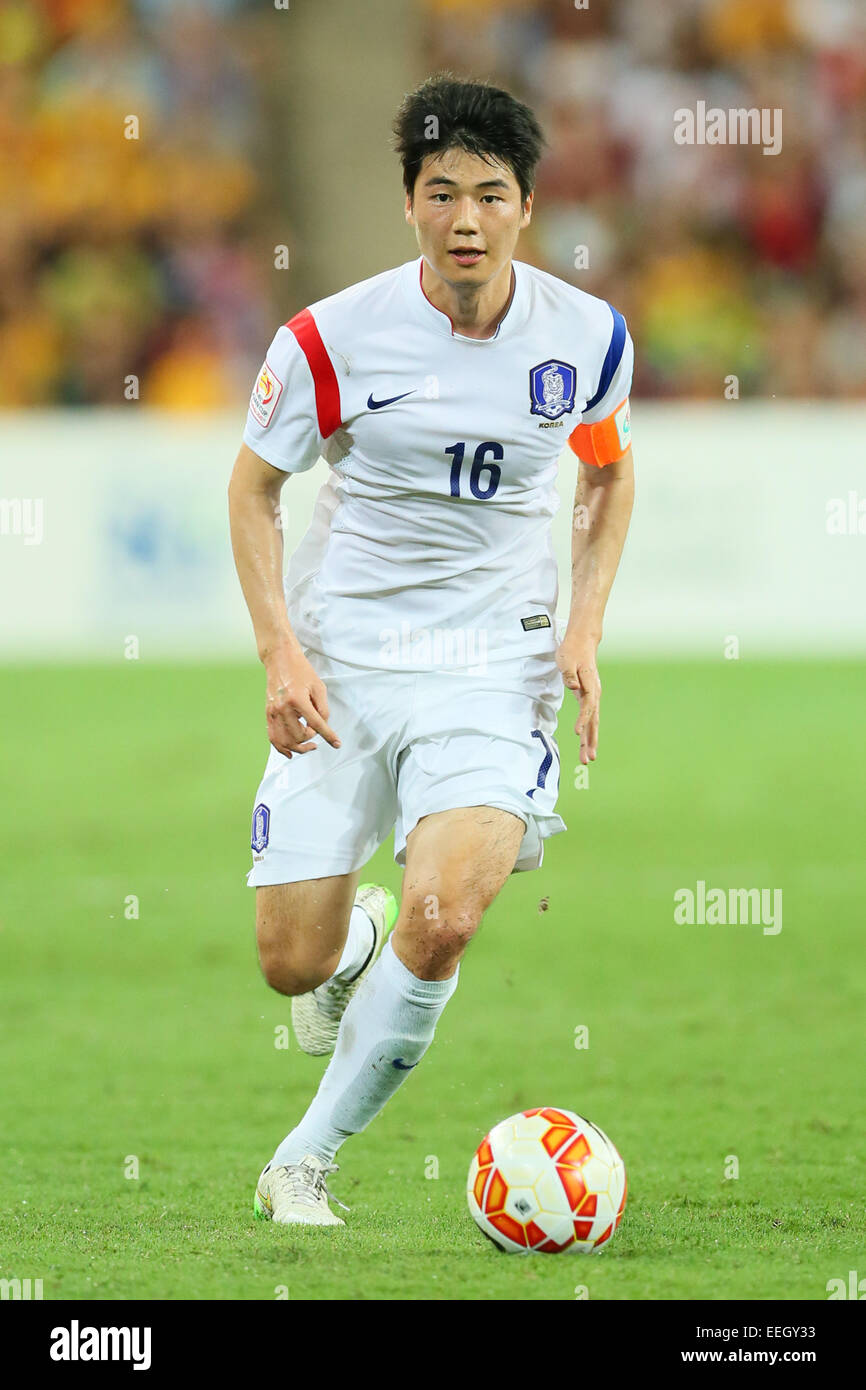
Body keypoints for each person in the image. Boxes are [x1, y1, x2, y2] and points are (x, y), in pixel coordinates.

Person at [228, 74, 635, 1226]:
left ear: (524, 206)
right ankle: (350, 937)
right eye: (440, 191)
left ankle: (301, 1158)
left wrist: (584, 626)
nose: (465, 217)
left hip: (489, 668)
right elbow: (254, 491)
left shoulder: (587, 337)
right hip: (343, 663)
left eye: (490, 195)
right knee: (289, 963)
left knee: (448, 912)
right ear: (409, 203)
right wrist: (278, 657)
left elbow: (604, 470)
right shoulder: (325, 339)